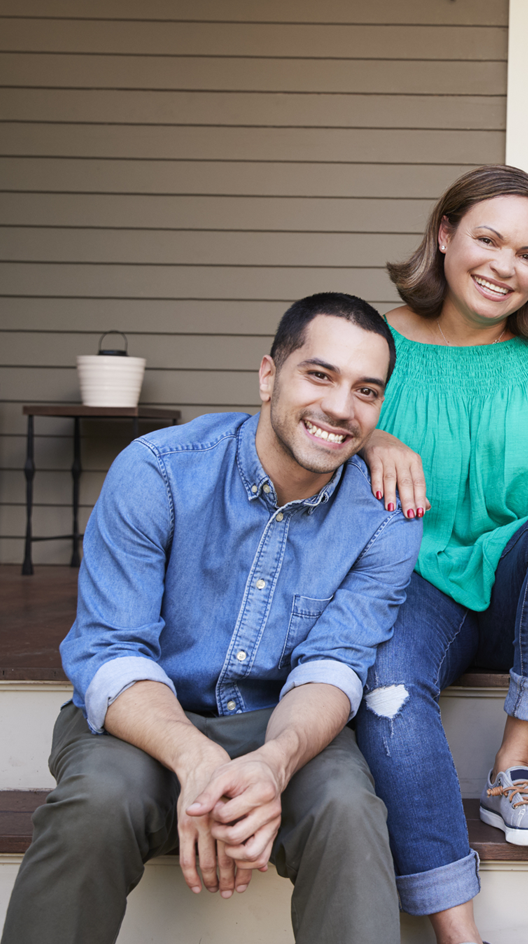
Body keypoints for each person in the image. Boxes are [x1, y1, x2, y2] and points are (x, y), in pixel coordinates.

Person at [1, 293, 422, 944]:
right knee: (95, 803)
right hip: (140, 719)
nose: (341, 407)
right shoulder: (159, 472)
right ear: (267, 375)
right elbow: (111, 652)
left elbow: (333, 668)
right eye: (319, 375)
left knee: (347, 808)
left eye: (366, 391)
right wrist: (195, 757)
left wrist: (275, 762)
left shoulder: (385, 521)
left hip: (285, 721)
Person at [353, 164, 528, 944]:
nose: (505, 267)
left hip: (522, 585)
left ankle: (516, 766)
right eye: (488, 240)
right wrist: (369, 438)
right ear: (444, 236)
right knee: (385, 691)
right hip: (406, 582)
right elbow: (307, 423)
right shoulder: (373, 342)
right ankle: (456, 927)